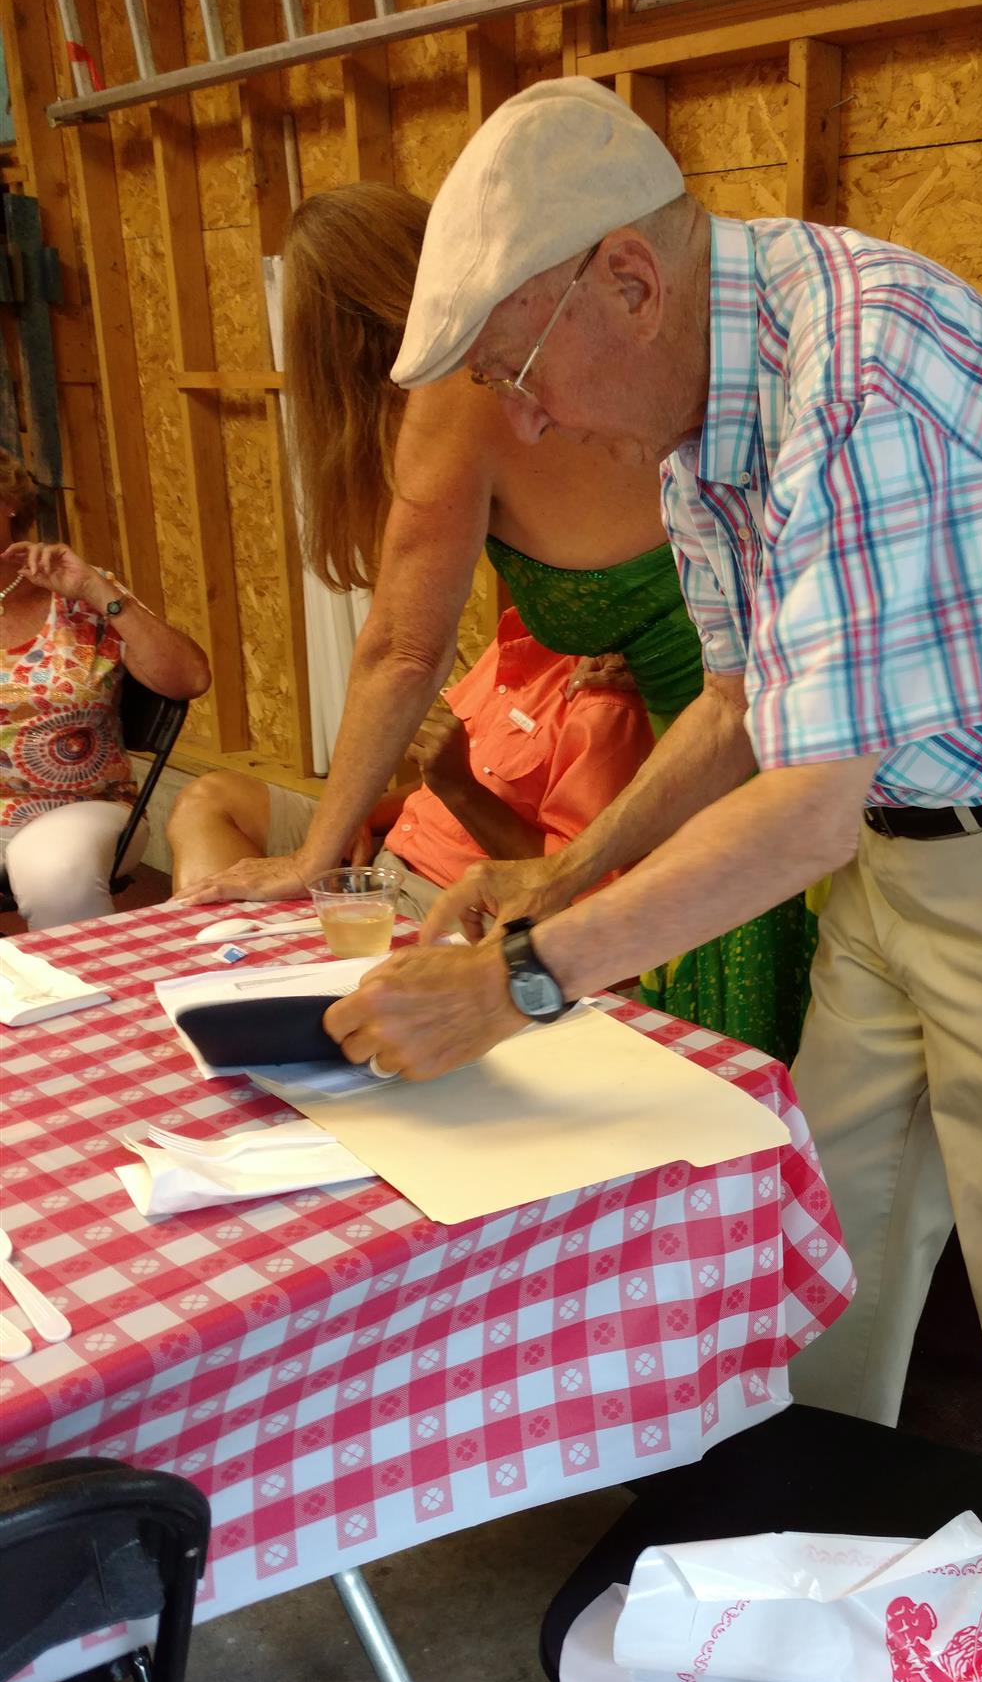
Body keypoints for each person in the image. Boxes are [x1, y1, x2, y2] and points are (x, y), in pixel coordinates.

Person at [324, 83, 982, 1682]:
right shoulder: (699, 416)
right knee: (830, 1230)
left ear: (627, 280)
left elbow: (807, 806)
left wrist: (523, 983)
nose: (529, 418)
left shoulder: (863, 378)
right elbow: (750, 699)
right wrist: (564, 869)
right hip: (907, 830)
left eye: (524, 370)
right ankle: (807, 1593)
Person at [173, 183, 817, 1064]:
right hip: (722, 749)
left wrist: (314, 856)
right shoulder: (534, 391)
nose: (531, 414)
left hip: (725, 773)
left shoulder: (460, 395)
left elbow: (404, 650)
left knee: (714, 1065)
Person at [170, 608, 653, 915]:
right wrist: (354, 817)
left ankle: (237, 971)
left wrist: (459, 788)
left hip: (445, 901)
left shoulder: (606, 698)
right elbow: (437, 785)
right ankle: (211, 963)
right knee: (212, 798)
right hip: (384, 857)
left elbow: (578, 887)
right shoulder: (520, 636)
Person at [0, 450, 210, 930]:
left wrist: (97, 591)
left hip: (82, 807)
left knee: (54, 870)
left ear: (8, 502)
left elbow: (189, 679)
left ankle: (79, 979)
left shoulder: (77, 597)